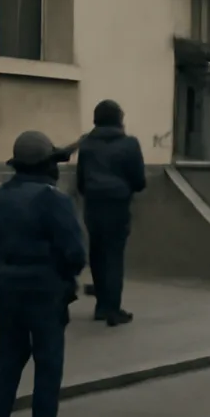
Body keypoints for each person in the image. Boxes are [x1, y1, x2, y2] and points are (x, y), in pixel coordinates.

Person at [0, 130, 87, 417]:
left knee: (6, 363)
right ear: (47, 165)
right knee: (48, 363)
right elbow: (74, 252)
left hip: (8, 290)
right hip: (45, 291)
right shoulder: (53, 199)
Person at [76, 100, 146, 326]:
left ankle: (101, 306)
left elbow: (80, 180)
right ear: (119, 119)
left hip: (93, 204)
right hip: (117, 204)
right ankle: (113, 310)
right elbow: (139, 180)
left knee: (97, 254)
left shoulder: (86, 145)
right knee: (114, 255)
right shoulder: (129, 144)